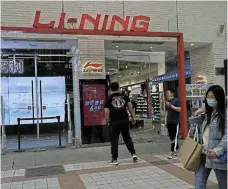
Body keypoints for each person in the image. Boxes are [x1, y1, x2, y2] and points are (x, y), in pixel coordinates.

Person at [191, 85, 227, 189]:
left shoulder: (225, 115)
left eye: (212, 97)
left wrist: (218, 151)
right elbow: (197, 131)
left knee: (224, 185)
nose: (209, 99)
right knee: (199, 185)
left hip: (219, 157)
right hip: (203, 155)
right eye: (208, 97)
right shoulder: (207, 114)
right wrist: (196, 115)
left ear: (219, 98)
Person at [104, 82, 138, 165]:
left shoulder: (109, 98)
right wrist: (133, 118)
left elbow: (106, 112)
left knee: (114, 140)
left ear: (110, 89)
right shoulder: (125, 97)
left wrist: (108, 121)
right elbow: (130, 107)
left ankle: (115, 159)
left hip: (114, 122)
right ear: (118, 88)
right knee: (127, 138)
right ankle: (133, 154)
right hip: (124, 121)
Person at [165, 89, 181, 159]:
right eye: (166, 93)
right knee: (171, 137)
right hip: (169, 122)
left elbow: (179, 109)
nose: (167, 95)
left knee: (175, 137)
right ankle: (177, 149)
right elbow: (167, 112)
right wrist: (165, 121)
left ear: (172, 94)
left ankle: (173, 152)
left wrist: (171, 106)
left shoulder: (176, 100)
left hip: (175, 122)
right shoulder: (168, 102)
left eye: (168, 93)